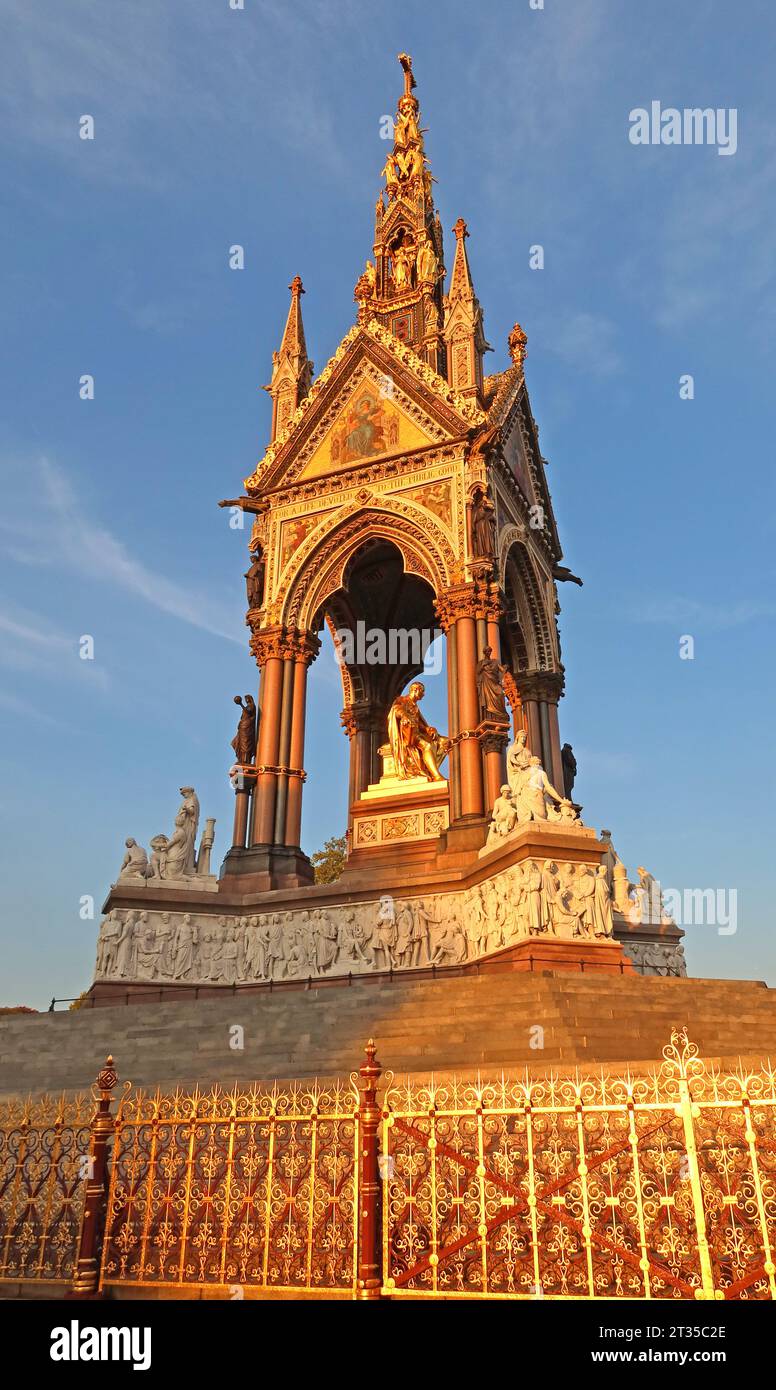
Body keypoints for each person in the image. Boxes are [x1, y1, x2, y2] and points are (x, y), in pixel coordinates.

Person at [387, 681, 447, 782]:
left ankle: (431, 769)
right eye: (422, 691)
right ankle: (436, 775)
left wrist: (428, 729)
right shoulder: (402, 700)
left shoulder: (415, 706)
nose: (423, 694)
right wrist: (404, 715)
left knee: (444, 742)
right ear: (416, 690)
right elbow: (395, 709)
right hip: (407, 735)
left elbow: (420, 723)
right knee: (426, 746)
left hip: (417, 733)